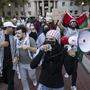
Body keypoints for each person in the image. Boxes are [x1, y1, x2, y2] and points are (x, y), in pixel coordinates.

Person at [14, 25, 37, 90]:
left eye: (19, 33)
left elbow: (36, 50)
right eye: (16, 33)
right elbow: (15, 51)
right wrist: (16, 57)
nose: (17, 35)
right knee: (23, 79)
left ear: (24, 33)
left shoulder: (30, 39)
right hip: (21, 63)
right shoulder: (16, 40)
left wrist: (28, 47)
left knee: (31, 76)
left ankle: (34, 80)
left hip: (30, 63)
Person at [0, 21, 16, 90]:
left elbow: (15, 49)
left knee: (11, 80)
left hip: (11, 62)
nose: (13, 29)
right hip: (1, 62)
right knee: (3, 78)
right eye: (12, 28)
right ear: (7, 28)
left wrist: (16, 57)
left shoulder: (12, 37)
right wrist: (0, 45)